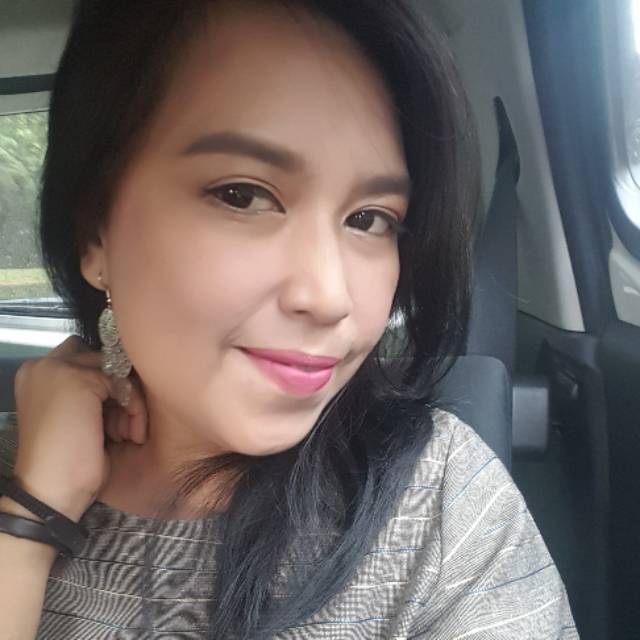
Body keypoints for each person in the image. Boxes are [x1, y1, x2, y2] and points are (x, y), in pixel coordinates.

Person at [0, 0, 579, 638]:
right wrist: (31, 512)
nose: (329, 297)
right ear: (96, 236)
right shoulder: (16, 461)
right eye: (243, 195)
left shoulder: (440, 501)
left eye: (370, 219)